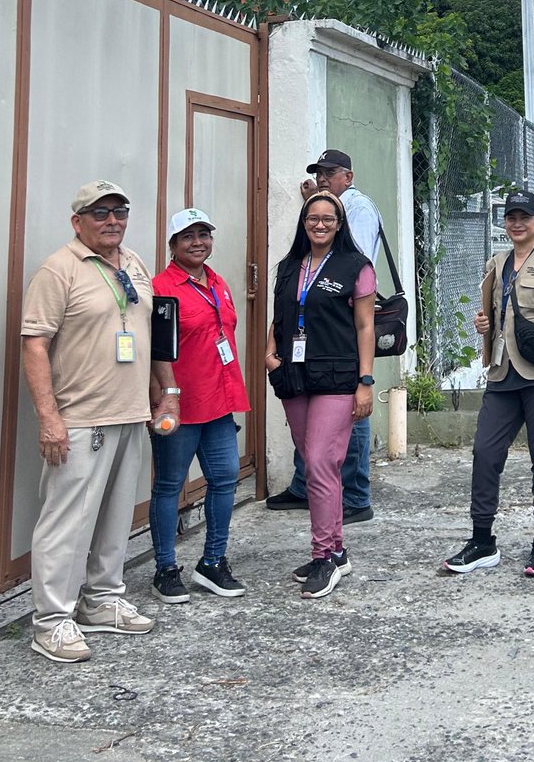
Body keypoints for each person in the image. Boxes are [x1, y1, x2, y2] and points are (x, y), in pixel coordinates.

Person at [21, 180, 180, 663]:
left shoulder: (133, 263)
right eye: (100, 213)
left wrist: (168, 393)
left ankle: (102, 600)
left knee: (116, 517)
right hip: (80, 418)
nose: (112, 220)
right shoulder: (59, 269)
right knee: (67, 524)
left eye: (120, 211)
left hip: (130, 412)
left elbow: (152, 333)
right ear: (78, 221)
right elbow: (34, 345)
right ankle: (52, 622)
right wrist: (49, 418)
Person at [443, 190, 534, 577]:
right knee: (485, 453)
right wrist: (483, 324)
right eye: (511, 217)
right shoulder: (497, 262)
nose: (517, 223)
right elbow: (494, 313)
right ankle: (482, 540)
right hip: (503, 374)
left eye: (525, 217)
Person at [265, 191, 376, 600]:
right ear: (304, 222)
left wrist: (365, 381)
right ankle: (337, 549)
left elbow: (365, 327)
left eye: (329, 218)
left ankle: (323, 556)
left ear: (339, 224)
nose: (320, 225)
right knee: (315, 465)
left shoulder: (356, 267)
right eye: (313, 218)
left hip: (337, 376)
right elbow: (279, 316)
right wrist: (269, 355)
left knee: (319, 461)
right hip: (294, 376)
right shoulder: (289, 265)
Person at [267, 149, 381, 523]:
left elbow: (349, 265)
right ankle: (307, 486)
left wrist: (366, 379)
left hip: (340, 330)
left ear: (348, 177)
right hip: (308, 339)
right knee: (312, 435)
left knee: (352, 412)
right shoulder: (314, 219)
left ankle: (355, 495)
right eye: (319, 173)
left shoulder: (357, 208)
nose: (322, 179)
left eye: (330, 173)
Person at [148, 208, 251, 604]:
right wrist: (162, 397)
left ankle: (212, 562)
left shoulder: (218, 282)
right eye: (188, 236)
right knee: (170, 485)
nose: (197, 242)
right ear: (173, 244)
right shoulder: (162, 288)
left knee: (225, 478)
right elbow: (156, 351)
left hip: (219, 401)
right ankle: (165, 569)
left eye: (204, 234)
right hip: (181, 404)